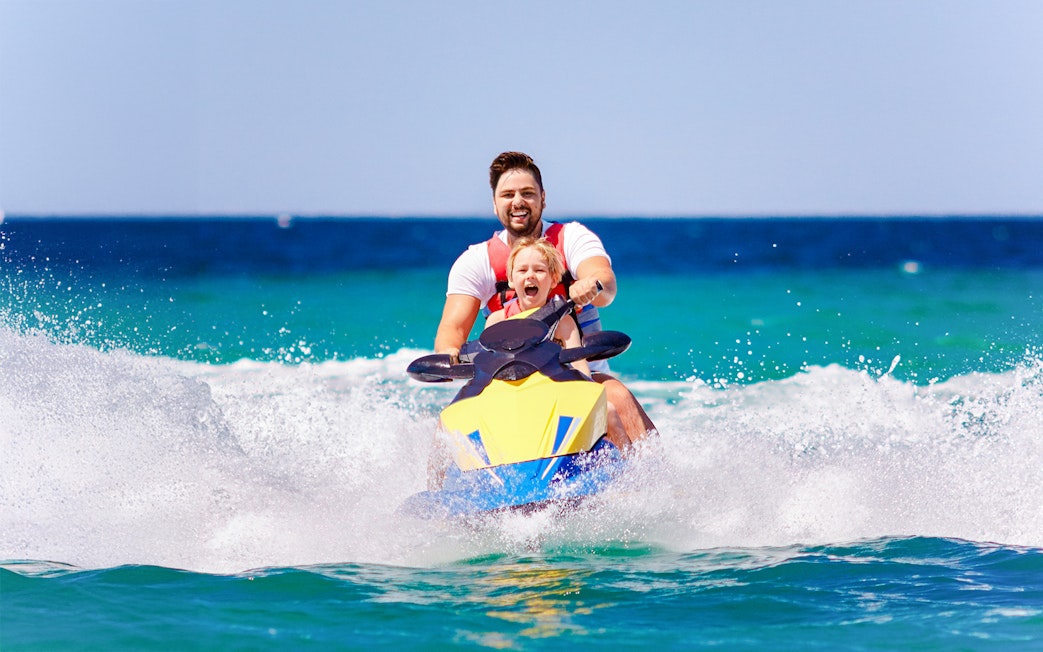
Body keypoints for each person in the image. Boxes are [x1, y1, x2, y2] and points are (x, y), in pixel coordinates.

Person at [435, 151, 657, 444]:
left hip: (578, 378)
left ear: (543, 198)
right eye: (508, 194)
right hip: (509, 384)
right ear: (494, 203)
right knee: (446, 425)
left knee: (616, 394)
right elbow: (452, 330)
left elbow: (605, 282)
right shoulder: (476, 261)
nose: (518, 202)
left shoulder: (572, 238)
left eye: (527, 193)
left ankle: (651, 479)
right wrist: (449, 355)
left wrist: (590, 284)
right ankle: (438, 491)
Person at [486, 236, 631, 449]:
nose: (530, 276)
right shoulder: (497, 320)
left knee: (608, 410)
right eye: (522, 270)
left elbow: (581, 368)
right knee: (450, 421)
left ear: (554, 280)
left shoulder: (563, 321)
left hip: (555, 399)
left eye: (539, 270)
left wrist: (585, 399)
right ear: (510, 279)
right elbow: (487, 368)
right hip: (512, 401)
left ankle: (632, 472)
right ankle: (435, 484)